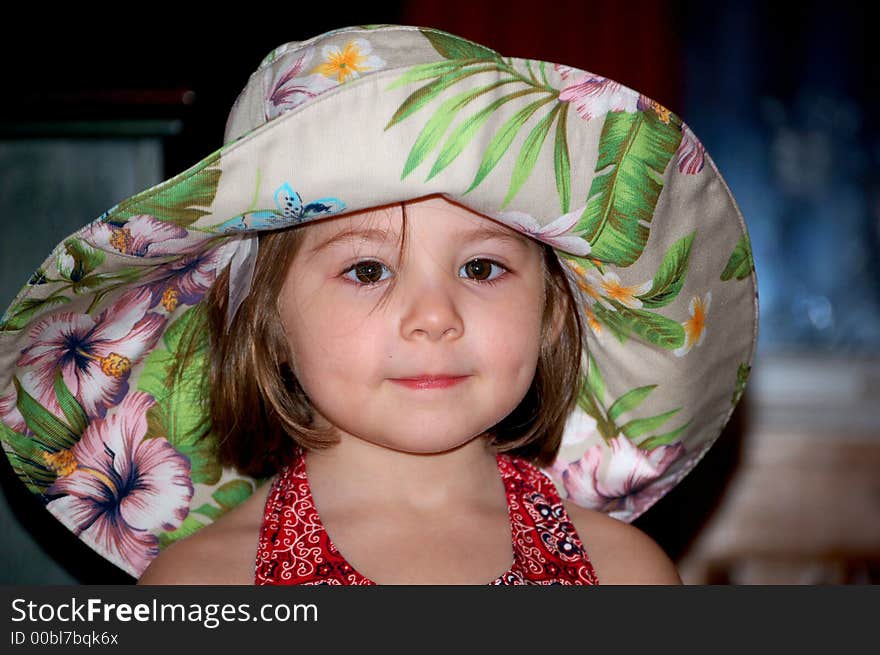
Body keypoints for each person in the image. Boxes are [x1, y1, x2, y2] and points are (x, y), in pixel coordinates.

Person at [0, 25, 757, 585]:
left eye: (483, 266)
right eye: (366, 269)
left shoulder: (625, 577)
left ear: (553, 312)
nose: (434, 315)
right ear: (269, 321)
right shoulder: (201, 586)